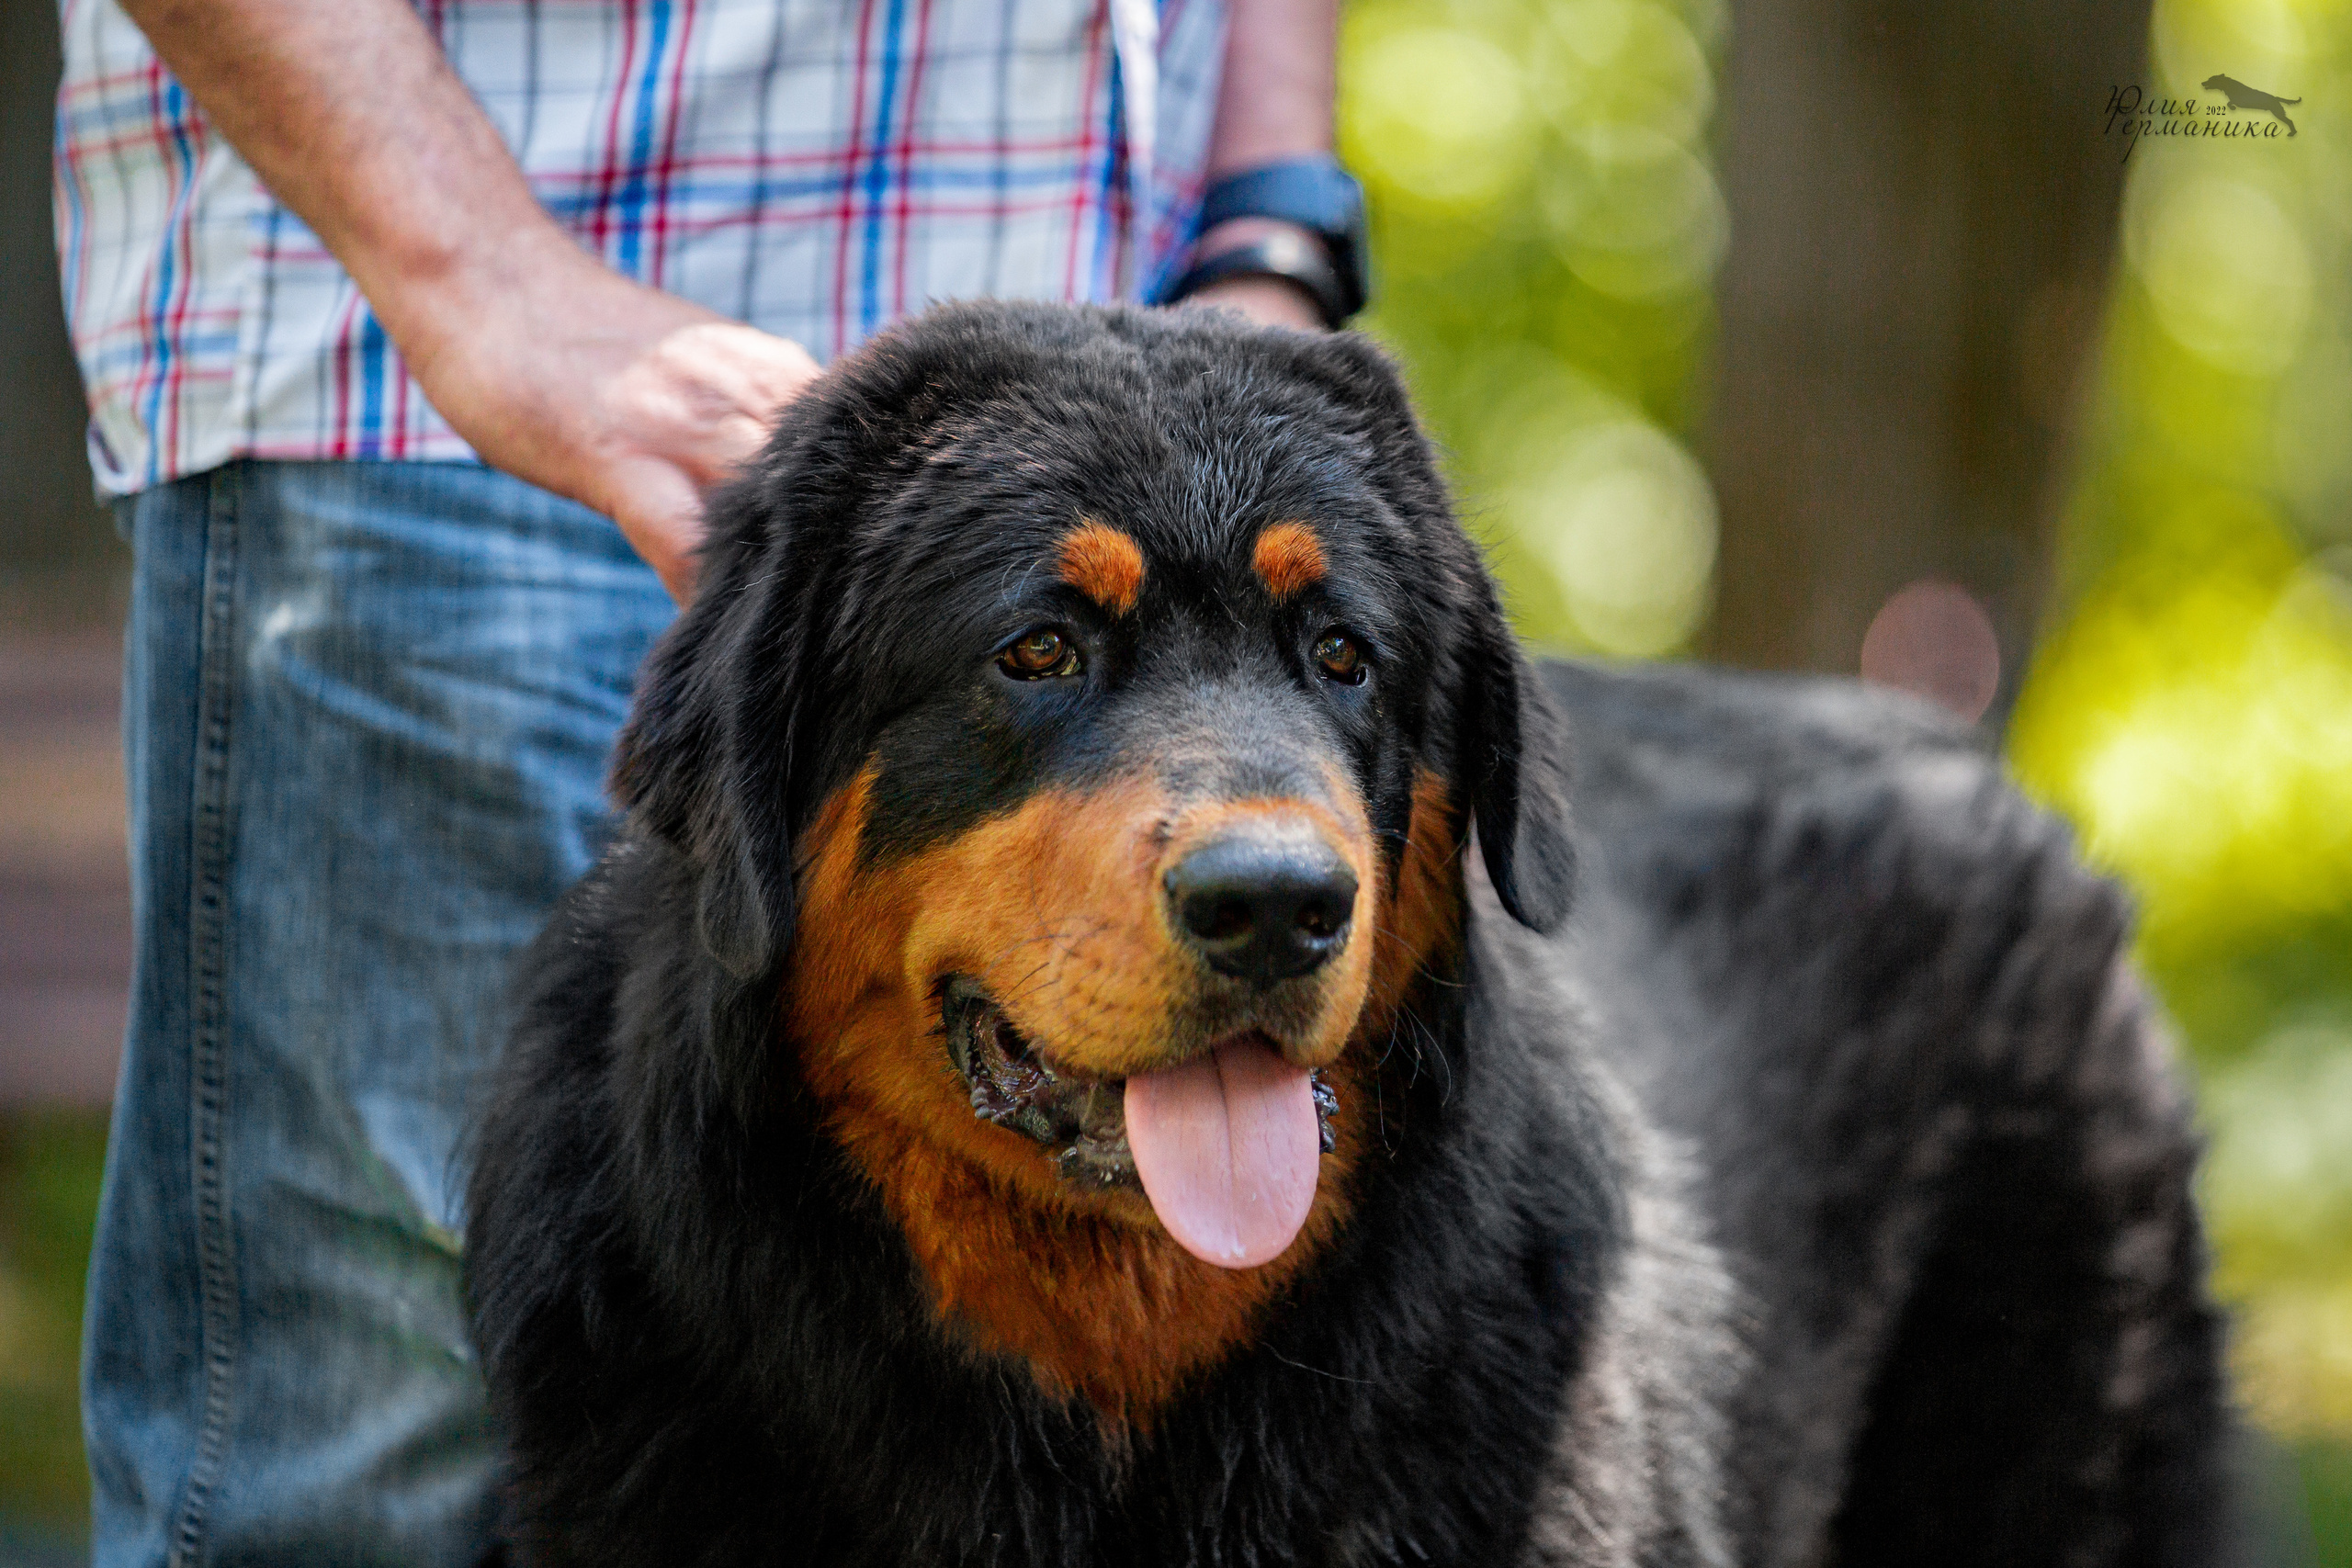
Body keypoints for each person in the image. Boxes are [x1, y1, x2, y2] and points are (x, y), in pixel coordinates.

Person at [52, 0, 1364, 1559]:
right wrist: (478, 280)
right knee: (376, 1471)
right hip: (454, 389)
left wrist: (1271, 212)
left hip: (1117, 356)